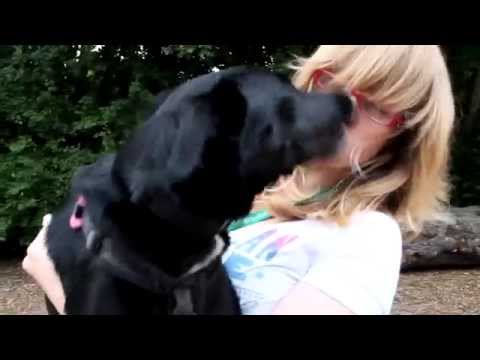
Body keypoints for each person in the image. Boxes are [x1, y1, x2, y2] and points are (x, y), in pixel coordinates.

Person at [22, 45, 455, 315]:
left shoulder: (367, 236)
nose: (346, 111)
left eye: (378, 105)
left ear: (406, 135)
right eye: (332, 83)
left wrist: (63, 278)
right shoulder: (236, 197)